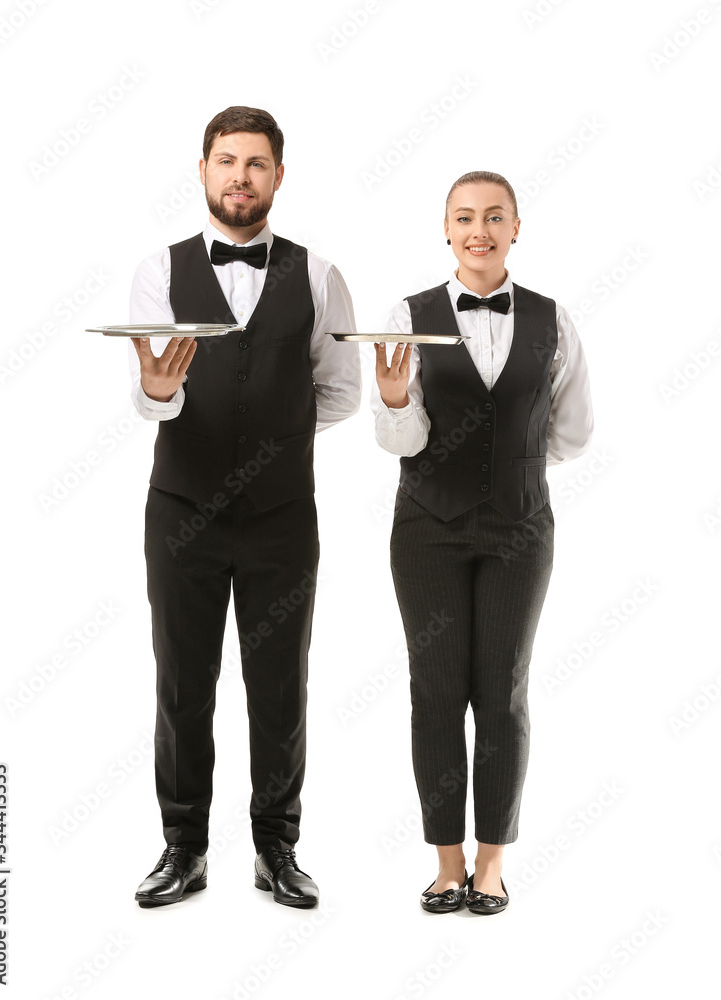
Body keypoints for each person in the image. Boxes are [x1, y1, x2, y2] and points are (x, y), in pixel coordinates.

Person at [129, 106, 361, 909]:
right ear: (202, 171)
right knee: (182, 684)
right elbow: (151, 394)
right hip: (181, 513)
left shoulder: (321, 275)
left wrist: (273, 439)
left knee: (280, 684)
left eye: (255, 164)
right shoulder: (160, 270)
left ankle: (276, 849)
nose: (239, 177)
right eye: (225, 161)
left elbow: (339, 392)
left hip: (282, 518)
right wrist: (160, 391)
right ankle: (183, 847)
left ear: (278, 177)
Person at [371, 171, 593, 915]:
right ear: (445, 228)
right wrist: (398, 401)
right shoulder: (408, 313)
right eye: (465, 217)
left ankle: (492, 861)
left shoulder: (554, 319)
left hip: (520, 529)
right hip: (427, 526)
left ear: (517, 227)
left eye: (494, 217)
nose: (480, 230)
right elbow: (398, 439)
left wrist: (512, 468)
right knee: (435, 689)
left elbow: (572, 431)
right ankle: (446, 860)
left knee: (503, 688)